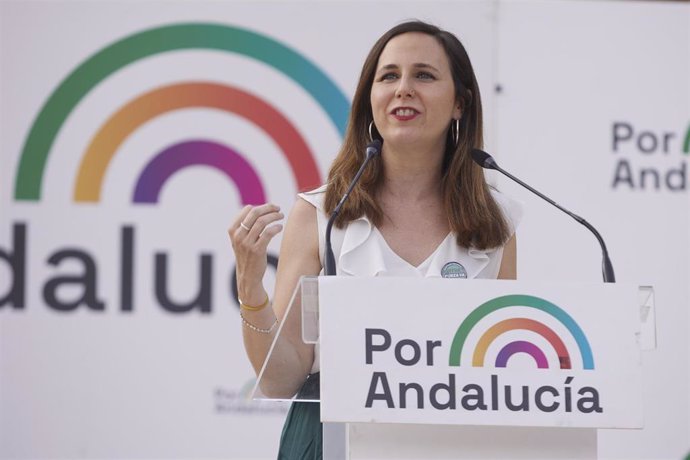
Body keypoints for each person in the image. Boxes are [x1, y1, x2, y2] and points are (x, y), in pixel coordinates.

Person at [228, 20, 521, 459]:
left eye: (423, 75)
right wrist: (251, 290)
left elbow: (503, 371)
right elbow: (279, 379)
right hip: (334, 439)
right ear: (371, 99)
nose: (403, 88)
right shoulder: (322, 212)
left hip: (453, 441)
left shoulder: (493, 223)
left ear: (460, 103)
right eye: (388, 76)